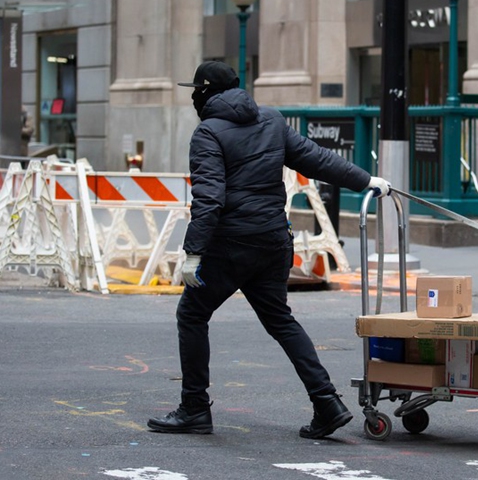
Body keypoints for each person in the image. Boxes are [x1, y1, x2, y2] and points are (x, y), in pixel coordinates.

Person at [146, 61, 391, 438]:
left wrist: (193, 253)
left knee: (192, 315)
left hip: (231, 244)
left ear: (205, 92)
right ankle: (327, 402)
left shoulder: (207, 133)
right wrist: (366, 180)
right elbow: (318, 159)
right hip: (274, 240)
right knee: (280, 320)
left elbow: (209, 199)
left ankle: (194, 408)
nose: (193, 96)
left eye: (195, 89)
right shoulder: (272, 120)